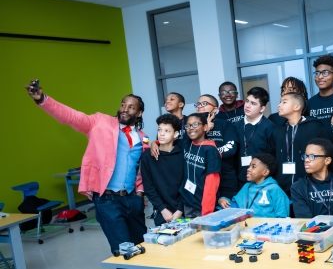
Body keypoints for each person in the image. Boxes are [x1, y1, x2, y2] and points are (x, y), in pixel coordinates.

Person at [25, 81, 148, 253]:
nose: (125, 109)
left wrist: (140, 193)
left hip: (133, 200)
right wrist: (43, 99)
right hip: (108, 200)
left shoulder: (143, 137)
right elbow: (71, 116)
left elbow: (141, 168)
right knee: (123, 250)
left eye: (131, 107)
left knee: (143, 245)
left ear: (139, 113)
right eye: (123, 105)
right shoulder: (100, 122)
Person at [268, 92, 330, 195]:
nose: (279, 105)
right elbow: (270, 155)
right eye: (280, 102)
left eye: (284, 102)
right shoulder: (277, 131)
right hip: (282, 189)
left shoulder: (315, 127)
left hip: (310, 187)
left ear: (297, 106)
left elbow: (327, 153)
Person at [140, 114, 184, 226]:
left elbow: (188, 183)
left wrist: (180, 209)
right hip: (161, 211)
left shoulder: (183, 153)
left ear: (176, 134)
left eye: (167, 131)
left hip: (184, 208)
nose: (162, 134)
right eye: (159, 130)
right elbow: (149, 187)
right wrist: (163, 209)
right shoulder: (148, 156)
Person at [196, 94, 240, 199]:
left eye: (204, 104)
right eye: (198, 104)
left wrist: (208, 155)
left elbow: (230, 149)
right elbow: (190, 149)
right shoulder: (193, 126)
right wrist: (204, 129)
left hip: (225, 179)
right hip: (201, 179)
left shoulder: (226, 124)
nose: (199, 106)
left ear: (215, 109)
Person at [218, 153, 289, 218]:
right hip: (245, 227)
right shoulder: (247, 186)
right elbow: (235, 204)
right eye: (249, 166)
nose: (248, 169)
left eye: (253, 167)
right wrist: (222, 200)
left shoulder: (275, 189)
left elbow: (282, 217)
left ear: (265, 172)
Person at [178, 113, 221, 217]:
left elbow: (212, 184)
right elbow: (169, 143)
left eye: (195, 124)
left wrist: (206, 213)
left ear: (205, 127)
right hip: (187, 202)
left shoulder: (211, 151)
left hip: (202, 206)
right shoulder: (186, 144)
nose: (191, 128)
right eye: (188, 126)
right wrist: (155, 143)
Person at [234, 87, 276, 187]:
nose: (247, 106)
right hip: (239, 180)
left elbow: (272, 157)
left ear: (262, 108)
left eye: (253, 103)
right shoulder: (236, 126)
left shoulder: (270, 127)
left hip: (261, 182)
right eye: (247, 101)